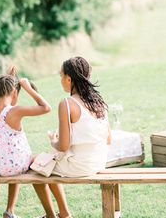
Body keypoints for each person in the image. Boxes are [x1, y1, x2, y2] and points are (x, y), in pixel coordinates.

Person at [33, 56, 111, 218]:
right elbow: (109, 139)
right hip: (99, 161)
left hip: (79, 165)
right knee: (48, 162)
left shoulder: (67, 103)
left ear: (69, 79)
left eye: (61, 76)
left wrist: (53, 140)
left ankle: (54, 215)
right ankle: (63, 213)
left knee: (36, 165)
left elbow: (63, 146)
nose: (60, 80)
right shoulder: (100, 102)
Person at [0, 66, 51, 218]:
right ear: (14, 92)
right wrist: (27, 87)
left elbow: (3, 100)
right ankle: (9, 211)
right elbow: (46, 107)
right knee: (15, 162)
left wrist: (9, 79)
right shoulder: (15, 111)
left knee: (1, 160)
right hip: (15, 165)